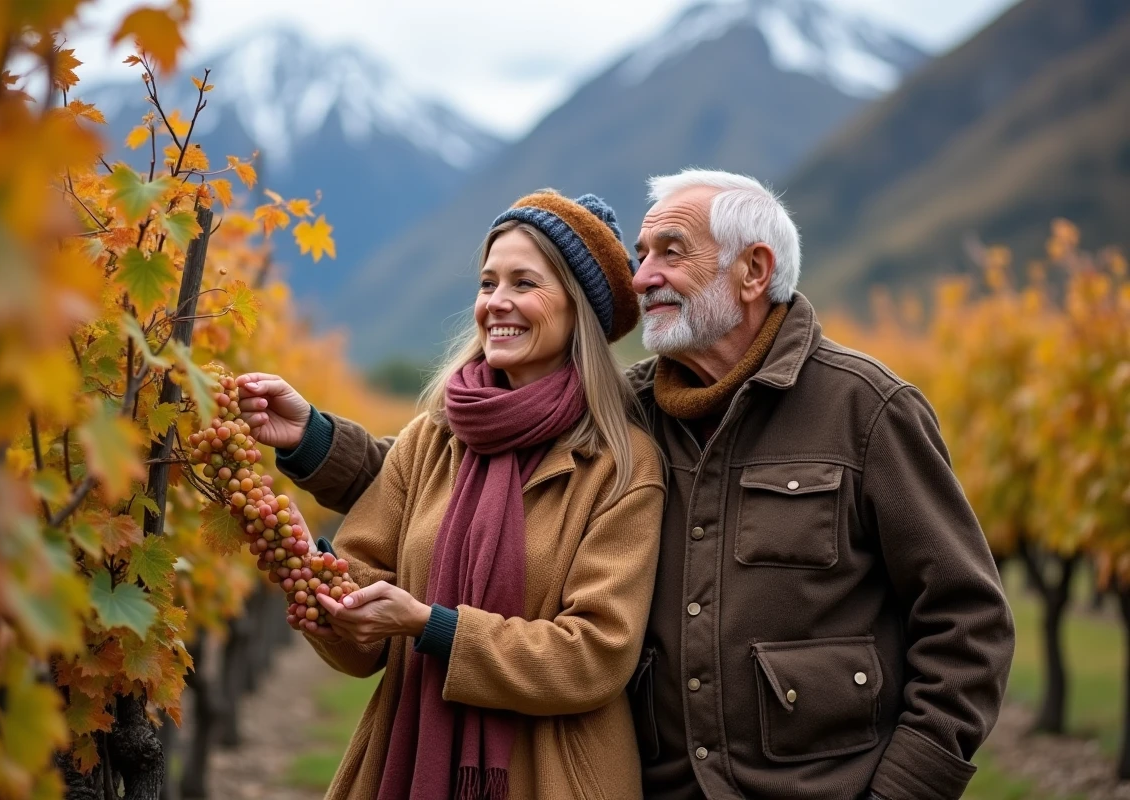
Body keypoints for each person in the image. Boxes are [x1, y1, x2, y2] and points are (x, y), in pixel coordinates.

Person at [249, 169, 1017, 800]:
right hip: (664, 784)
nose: (641, 275)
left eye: (669, 252)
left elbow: (966, 620)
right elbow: (442, 491)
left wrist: (908, 791)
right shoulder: (626, 409)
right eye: (641, 253)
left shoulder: (863, 411)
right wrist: (315, 441)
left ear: (754, 271)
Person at [237, 191, 665, 800]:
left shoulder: (622, 466)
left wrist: (433, 626)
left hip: (552, 776)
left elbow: (594, 655)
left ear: (580, 310)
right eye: (488, 282)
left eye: (525, 283)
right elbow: (364, 636)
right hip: (406, 764)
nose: (497, 303)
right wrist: (314, 581)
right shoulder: (435, 437)